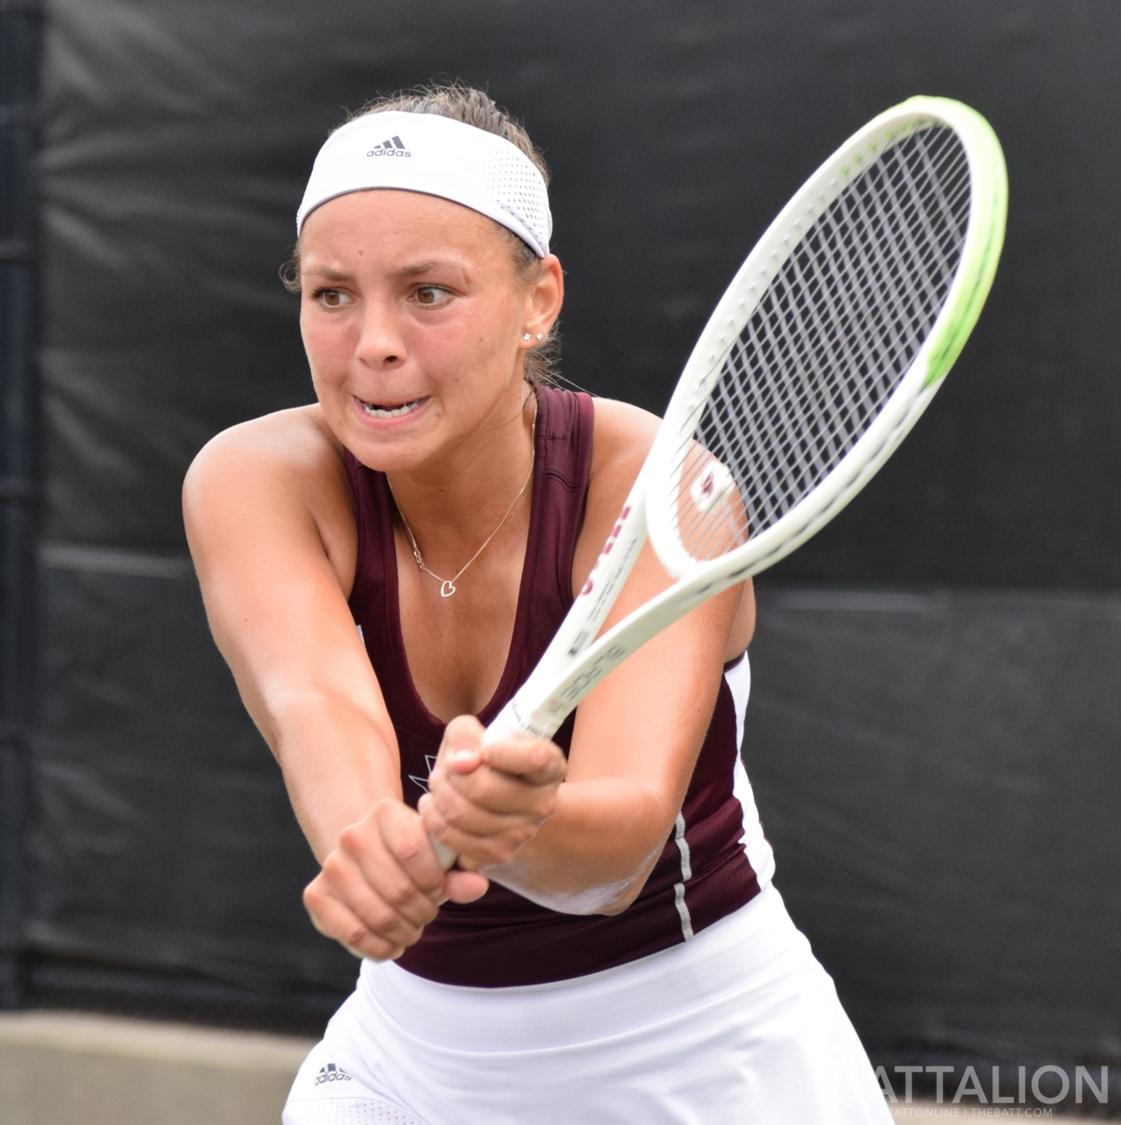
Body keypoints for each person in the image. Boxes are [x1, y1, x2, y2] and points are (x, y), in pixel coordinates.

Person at [182, 84, 888, 1125]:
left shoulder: (656, 488)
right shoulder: (251, 480)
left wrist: (523, 824)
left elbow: (618, 850)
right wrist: (369, 845)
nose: (371, 342)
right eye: (331, 295)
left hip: (707, 1055)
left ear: (536, 301)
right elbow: (314, 706)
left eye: (428, 292)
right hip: (407, 1065)